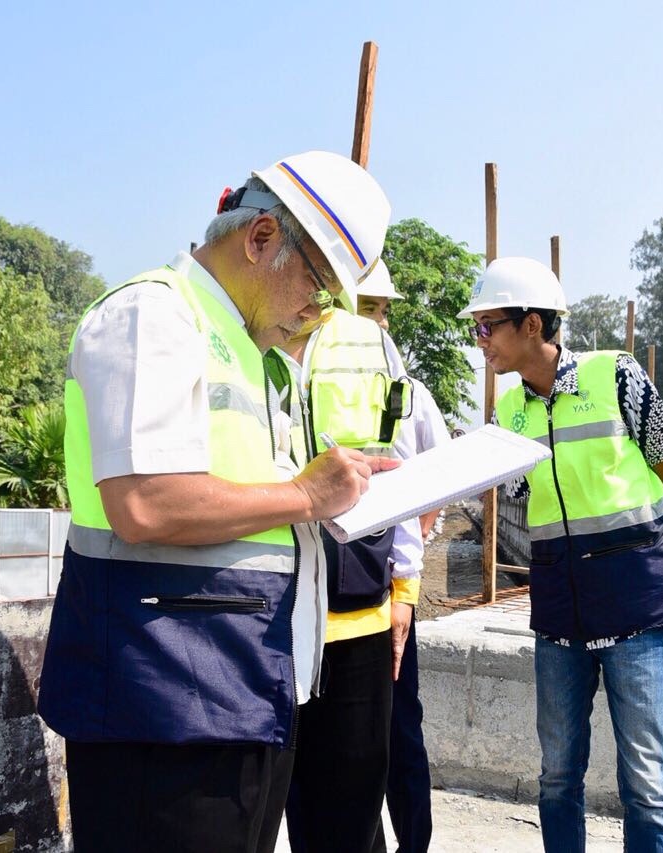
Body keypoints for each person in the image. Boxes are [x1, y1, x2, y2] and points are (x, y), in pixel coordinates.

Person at [37, 150, 395, 853]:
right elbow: (142, 502)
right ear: (260, 238)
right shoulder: (154, 315)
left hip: (239, 692)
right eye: (318, 288)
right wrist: (303, 493)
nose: (317, 315)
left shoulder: (256, 356)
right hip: (159, 704)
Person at [462, 256, 663, 853]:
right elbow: (520, 497)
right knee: (558, 774)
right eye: (477, 328)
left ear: (533, 324)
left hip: (635, 607)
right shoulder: (509, 414)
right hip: (560, 613)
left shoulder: (614, 375)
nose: (479, 341)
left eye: (488, 326)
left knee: (644, 780)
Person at [270, 258, 422, 852]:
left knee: (352, 817)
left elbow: (401, 473)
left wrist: (404, 589)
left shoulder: (371, 346)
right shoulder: (236, 338)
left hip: (356, 620)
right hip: (264, 621)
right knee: (262, 808)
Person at [355, 261, 452, 853]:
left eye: (379, 310)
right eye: (367, 308)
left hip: (386, 595)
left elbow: (433, 488)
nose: (376, 322)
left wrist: (406, 584)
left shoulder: (406, 394)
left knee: (397, 734)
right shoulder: (296, 382)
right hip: (321, 597)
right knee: (339, 748)